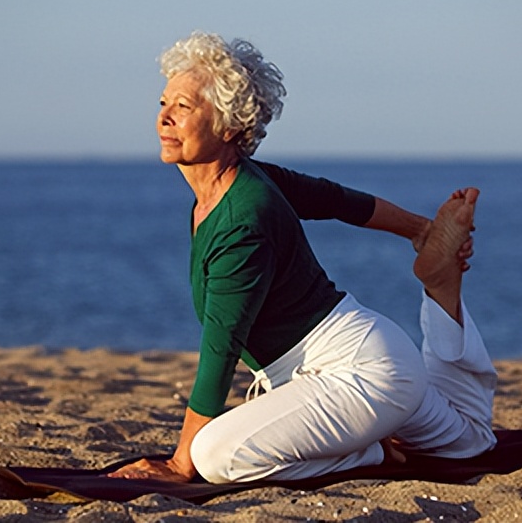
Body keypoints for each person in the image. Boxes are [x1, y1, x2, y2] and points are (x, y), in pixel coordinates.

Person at [109, 31, 497, 484]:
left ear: (230, 127)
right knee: (470, 441)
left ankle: (369, 453)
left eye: (184, 107)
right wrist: (420, 229)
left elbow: (222, 345)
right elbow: (335, 200)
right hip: (370, 361)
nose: (165, 118)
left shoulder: (242, 219)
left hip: (362, 376)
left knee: (212, 457)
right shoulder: (245, 183)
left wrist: (180, 463)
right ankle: (441, 288)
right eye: (163, 103)